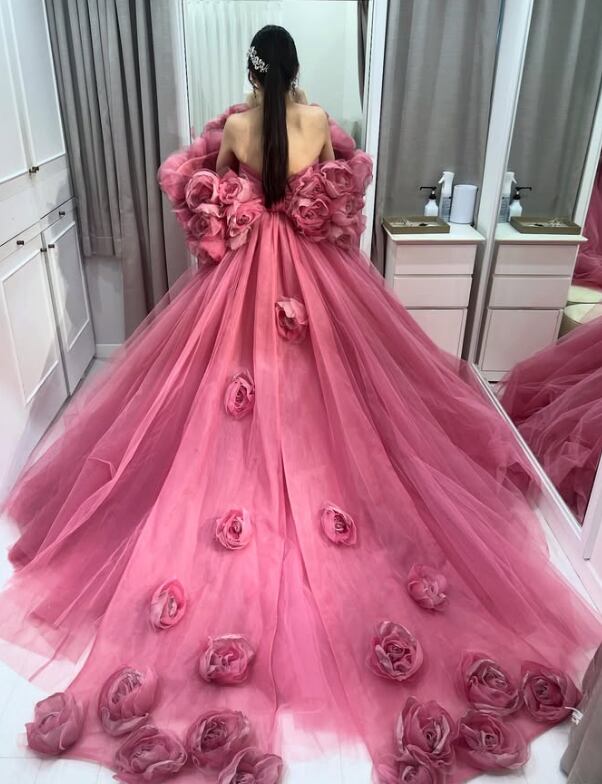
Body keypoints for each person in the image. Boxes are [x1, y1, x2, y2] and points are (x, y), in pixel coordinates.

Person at [0, 24, 599, 784]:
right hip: (314, 267)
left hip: (247, 264)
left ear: (254, 72)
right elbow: (340, 181)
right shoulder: (316, 121)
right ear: (295, 70)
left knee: (229, 373)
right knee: (330, 378)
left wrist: (237, 161)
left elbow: (216, 190)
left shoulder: (239, 128)